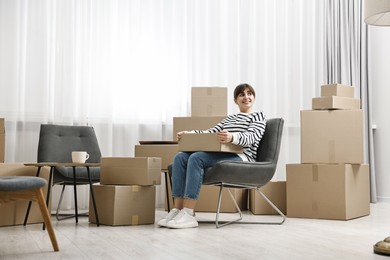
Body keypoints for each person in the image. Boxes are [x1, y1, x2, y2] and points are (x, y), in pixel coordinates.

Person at [158, 83, 266, 229]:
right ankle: (177, 210)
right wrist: (190, 133)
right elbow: (211, 132)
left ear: (254, 97)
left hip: (243, 157)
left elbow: (252, 137)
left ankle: (189, 213)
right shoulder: (229, 119)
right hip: (223, 154)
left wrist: (231, 137)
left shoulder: (258, 116)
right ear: (236, 100)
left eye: (249, 93)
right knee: (180, 157)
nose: (246, 97)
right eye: (242, 95)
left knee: (197, 157)